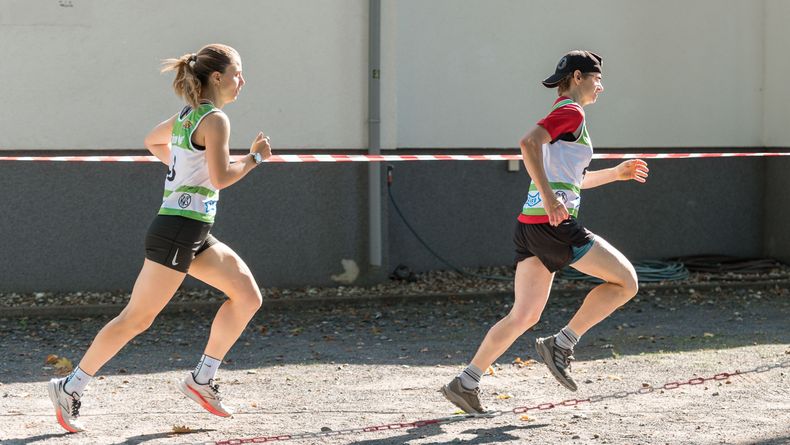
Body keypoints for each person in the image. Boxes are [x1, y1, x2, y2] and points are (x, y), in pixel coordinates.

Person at [48, 43, 272, 432]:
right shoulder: (215, 119)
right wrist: (254, 159)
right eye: (238, 73)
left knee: (248, 296)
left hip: (193, 230)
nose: (243, 81)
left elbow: (153, 140)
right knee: (137, 318)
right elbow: (221, 178)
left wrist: (183, 167)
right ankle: (70, 386)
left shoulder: (189, 114)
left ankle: (201, 380)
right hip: (178, 230)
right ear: (217, 77)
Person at [441, 50, 649, 414]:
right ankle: (562, 343)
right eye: (598, 79)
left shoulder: (567, 116)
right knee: (626, 282)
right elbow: (528, 143)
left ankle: (466, 382)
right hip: (554, 226)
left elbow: (574, 179)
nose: (602, 87)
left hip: (531, 225)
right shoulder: (570, 111)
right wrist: (553, 199)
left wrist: (616, 174)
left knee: (523, 315)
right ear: (580, 76)